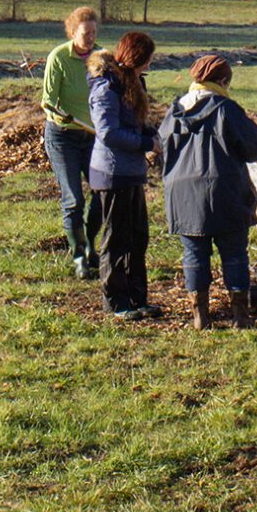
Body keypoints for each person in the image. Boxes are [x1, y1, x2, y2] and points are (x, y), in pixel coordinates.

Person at [157, 54, 257, 329]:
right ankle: (240, 316)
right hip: (224, 189)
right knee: (235, 253)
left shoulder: (174, 111)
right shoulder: (227, 109)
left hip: (182, 194)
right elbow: (252, 150)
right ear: (223, 80)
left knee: (194, 254)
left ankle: (200, 316)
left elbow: (161, 150)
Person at [86, 30, 159, 321]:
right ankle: (116, 303)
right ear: (136, 57)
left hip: (133, 172)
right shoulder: (106, 87)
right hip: (112, 173)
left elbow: (136, 123)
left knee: (138, 238)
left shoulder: (133, 82)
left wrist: (153, 136)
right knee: (116, 240)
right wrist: (144, 144)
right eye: (148, 59)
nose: (150, 65)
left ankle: (137, 298)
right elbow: (108, 133)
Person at [41, 7, 107, 279]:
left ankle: (91, 245)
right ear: (72, 33)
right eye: (85, 33)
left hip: (93, 137)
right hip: (62, 136)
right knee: (73, 200)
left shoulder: (102, 57)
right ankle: (79, 256)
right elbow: (47, 101)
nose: (90, 38)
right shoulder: (59, 57)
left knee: (101, 195)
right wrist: (61, 115)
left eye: (93, 33)